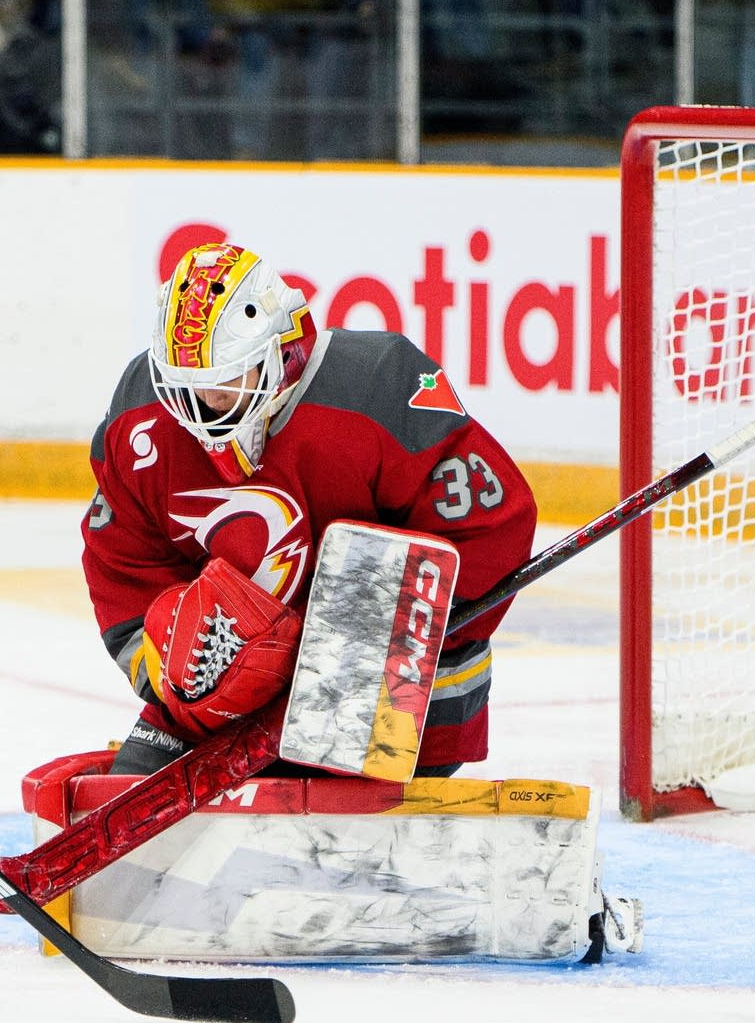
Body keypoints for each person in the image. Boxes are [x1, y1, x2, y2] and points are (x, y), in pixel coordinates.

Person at [83, 241, 537, 778]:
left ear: (282, 350)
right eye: (189, 383)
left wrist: (374, 644)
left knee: (317, 817)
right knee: (128, 793)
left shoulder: (377, 387)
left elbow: (490, 526)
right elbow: (122, 557)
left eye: (228, 376)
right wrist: (178, 678)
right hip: (225, 706)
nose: (207, 400)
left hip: (395, 702)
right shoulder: (140, 418)